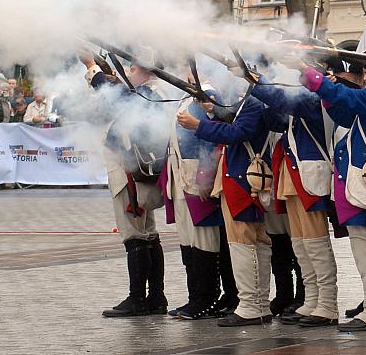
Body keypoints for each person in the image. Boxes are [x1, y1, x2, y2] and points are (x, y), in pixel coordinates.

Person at [300, 48, 366, 332]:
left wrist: (307, 71)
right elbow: (344, 113)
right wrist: (328, 90)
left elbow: (344, 98)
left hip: (363, 183)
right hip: (364, 182)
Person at [251, 63, 340, 329]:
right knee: (301, 243)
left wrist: (255, 81)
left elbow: (284, 101)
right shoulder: (298, 97)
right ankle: (312, 299)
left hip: (308, 175)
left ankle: (327, 303)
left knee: (315, 242)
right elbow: (274, 120)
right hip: (294, 173)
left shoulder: (315, 97)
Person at [80, 53, 169, 318]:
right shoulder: (151, 91)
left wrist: (91, 66)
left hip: (130, 172)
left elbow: (111, 93)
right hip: (141, 172)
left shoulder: (145, 94)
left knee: (134, 236)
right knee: (148, 234)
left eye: (132, 67)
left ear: (143, 70)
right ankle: (155, 296)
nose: (127, 72)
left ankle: (138, 299)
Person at [190, 92, 275, 327]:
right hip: (241, 178)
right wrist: (213, 110)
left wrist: (199, 125)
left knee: (244, 243)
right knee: (252, 242)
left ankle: (251, 305)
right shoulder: (254, 100)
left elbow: (238, 131)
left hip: (241, 180)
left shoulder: (256, 99)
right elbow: (234, 119)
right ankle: (257, 303)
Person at [164, 85, 226, 320]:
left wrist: (206, 175)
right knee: (188, 240)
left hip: (195, 173)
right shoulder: (184, 96)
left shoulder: (208, 93)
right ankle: (194, 297)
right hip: (179, 174)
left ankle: (207, 298)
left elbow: (213, 138)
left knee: (204, 240)